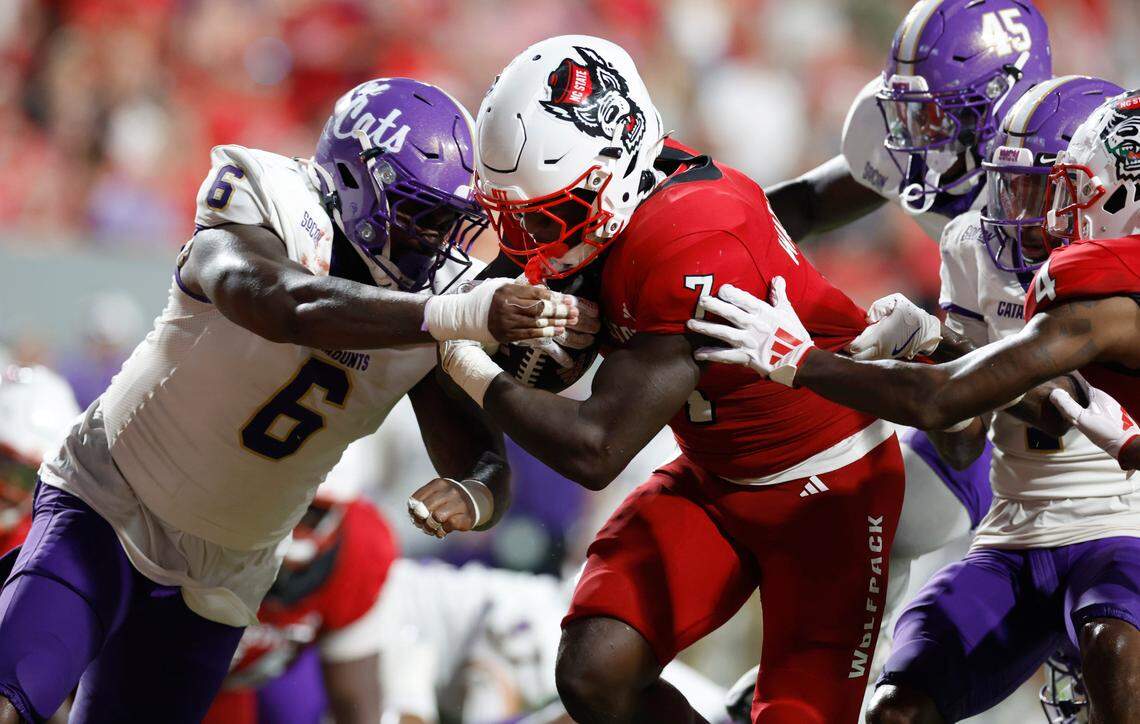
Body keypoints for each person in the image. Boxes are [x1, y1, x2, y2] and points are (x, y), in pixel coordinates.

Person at [0, 77, 587, 724]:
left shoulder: (437, 301)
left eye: (449, 221)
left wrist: (474, 493)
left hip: (224, 576)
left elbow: (484, 460)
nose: (435, 240)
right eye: (422, 215)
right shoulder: (268, 198)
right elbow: (282, 303)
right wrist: (452, 312)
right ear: (356, 182)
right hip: (111, 502)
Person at [415, 34, 939, 724]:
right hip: (715, 476)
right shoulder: (642, 188)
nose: (530, 246)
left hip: (826, 492)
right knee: (594, 669)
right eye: (513, 220)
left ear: (617, 166)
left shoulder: (694, 241)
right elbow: (799, 204)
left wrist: (469, 362)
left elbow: (596, 449)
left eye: (549, 216)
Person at [686, 87, 1140, 724]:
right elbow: (962, 435)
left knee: (1115, 649)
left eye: (1050, 192)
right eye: (1016, 188)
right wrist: (935, 349)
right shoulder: (974, 245)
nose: (1031, 214)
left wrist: (805, 359)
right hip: (1014, 534)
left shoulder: (1104, 293)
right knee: (897, 711)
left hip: (1120, 536)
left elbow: (990, 398)